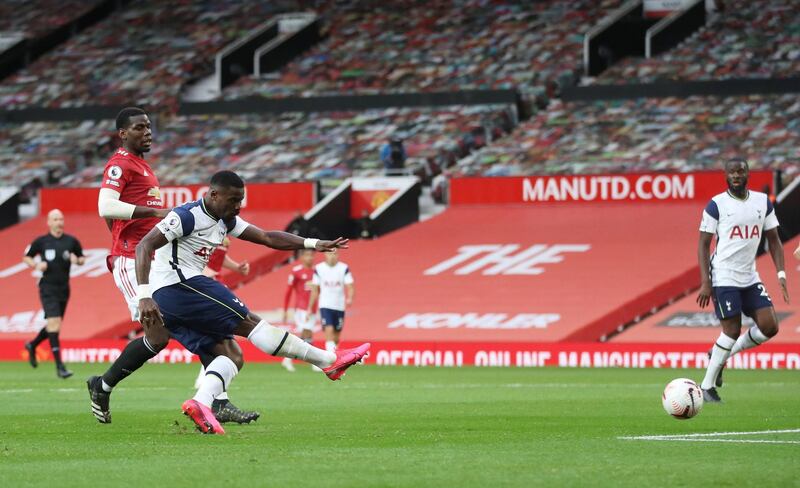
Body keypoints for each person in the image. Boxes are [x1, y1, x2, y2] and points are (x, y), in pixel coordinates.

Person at [134, 170, 370, 434]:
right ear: (213, 194)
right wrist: (143, 295)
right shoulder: (186, 216)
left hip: (177, 298)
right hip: (177, 288)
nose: (238, 206)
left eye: (241, 200)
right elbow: (144, 246)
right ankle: (327, 361)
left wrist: (313, 243)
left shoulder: (225, 220)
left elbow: (268, 237)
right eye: (233, 200)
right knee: (250, 323)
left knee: (231, 354)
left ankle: (201, 403)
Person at [88, 107, 258, 425]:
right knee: (162, 333)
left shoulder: (143, 166)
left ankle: (216, 400)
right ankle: (103, 384)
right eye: (140, 127)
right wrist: (155, 214)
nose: (148, 132)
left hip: (156, 260)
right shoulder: (120, 163)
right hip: (131, 258)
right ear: (123, 133)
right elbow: (105, 206)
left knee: (184, 328)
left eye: (150, 126)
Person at [696, 158, 789, 403]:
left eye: (740, 171)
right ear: (725, 175)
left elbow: (774, 240)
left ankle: (722, 356)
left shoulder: (762, 202)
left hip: (749, 275)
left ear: (747, 174)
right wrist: (706, 282)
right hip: (724, 275)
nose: (736, 175)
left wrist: (781, 273)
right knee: (732, 330)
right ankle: (706, 387)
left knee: (770, 326)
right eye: (732, 172)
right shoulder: (716, 204)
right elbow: (703, 244)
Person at [23, 209, 85, 379]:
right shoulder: (42, 242)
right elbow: (26, 257)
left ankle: (32, 344)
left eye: (61, 219)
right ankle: (60, 367)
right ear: (49, 222)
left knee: (54, 326)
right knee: (54, 324)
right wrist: (36, 265)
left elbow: (82, 258)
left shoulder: (71, 241)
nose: (59, 222)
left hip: (64, 289)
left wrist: (77, 260)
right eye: (55, 219)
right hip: (47, 287)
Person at [308, 248, 354, 354]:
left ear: (338, 255)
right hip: (325, 304)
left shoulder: (344, 268)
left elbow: (350, 285)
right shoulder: (319, 268)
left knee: (336, 336)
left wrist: (350, 298)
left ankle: (333, 355)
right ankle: (330, 359)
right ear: (325, 254)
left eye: (334, 254)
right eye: (329, 254)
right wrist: (310, 307)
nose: (332, 256)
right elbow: (315, 289)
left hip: (339, 305)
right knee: (329, 330)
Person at [280, 249, 317, 372]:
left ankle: (287, 359)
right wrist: (285, 309)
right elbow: (288, 291)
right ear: (301, 257)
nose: (310, 258)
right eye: (307, 255)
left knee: (306, 335)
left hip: (313, 309)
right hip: (301, 308)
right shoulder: (296, 271)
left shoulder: (317, 271)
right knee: (306, 333)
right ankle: (314, 362)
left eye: (312, 255)